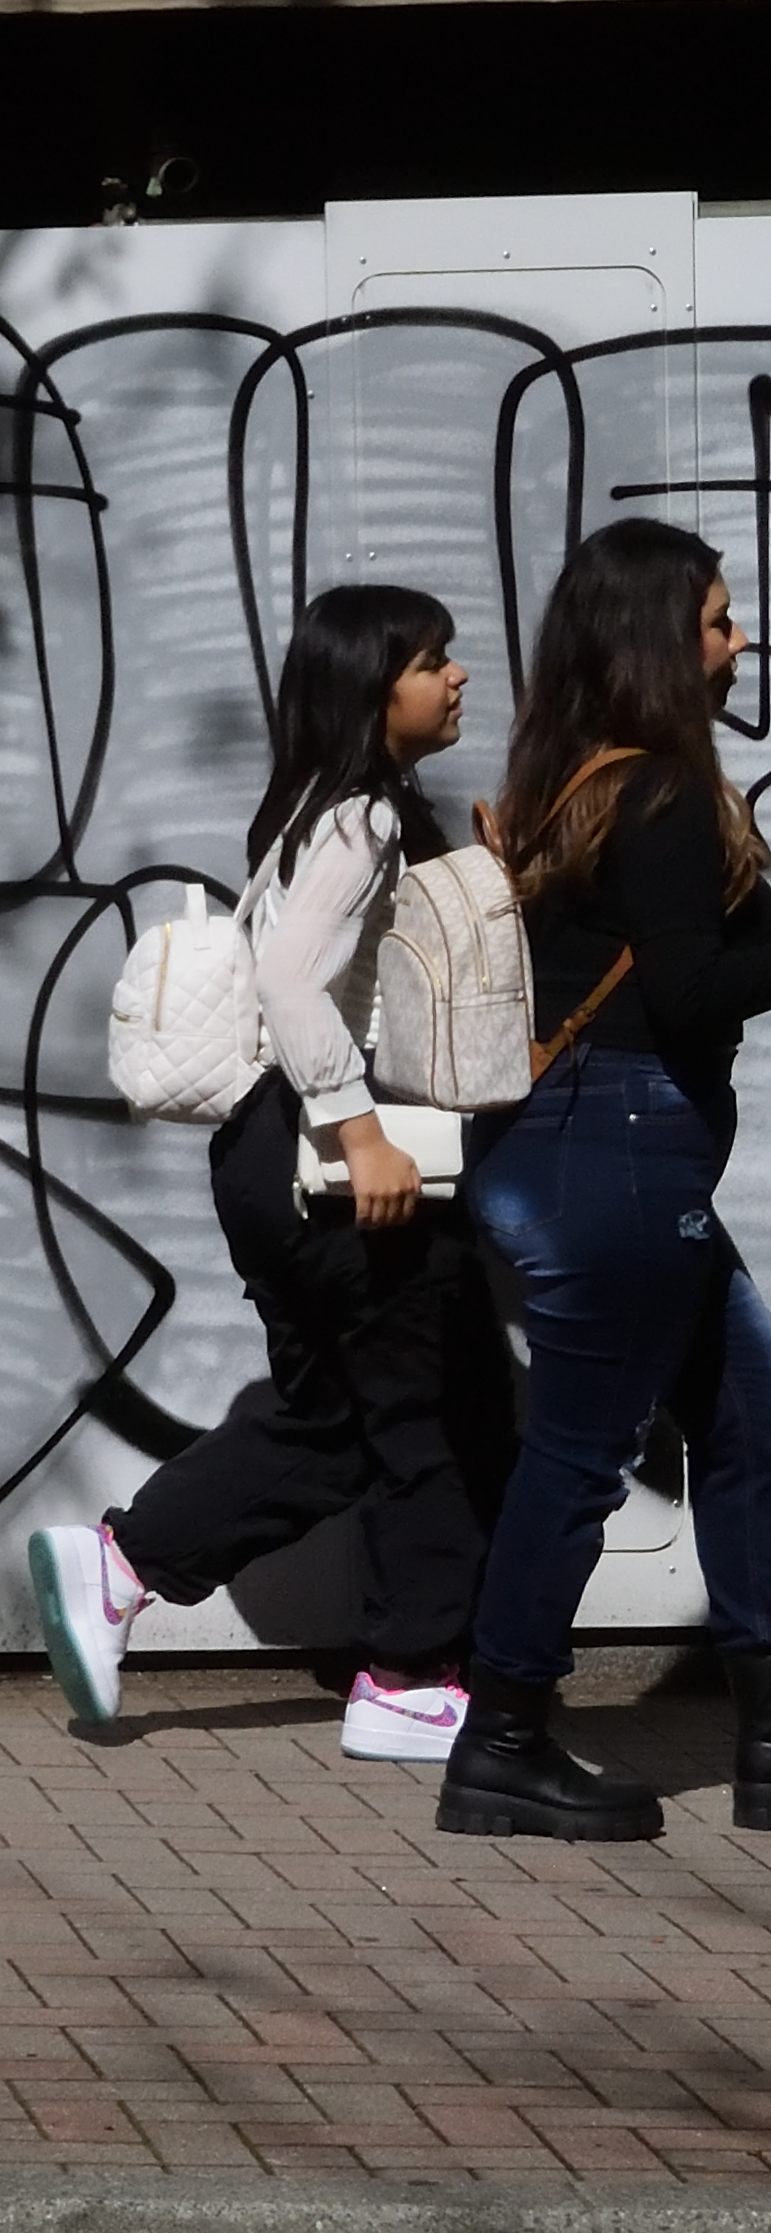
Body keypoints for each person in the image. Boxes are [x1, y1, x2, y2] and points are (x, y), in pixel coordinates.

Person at [29, 588, 517, 1762]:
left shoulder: (314, 809)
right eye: (432, 662)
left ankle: (125, 1563)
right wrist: (360, 1134)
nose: (457, 678)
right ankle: (405, 1680)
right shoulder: (360, 820)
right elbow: (297, 983)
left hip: (263, 1157)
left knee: (339, 1414)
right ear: (370, 685)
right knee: (426, 1413)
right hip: (327, 1162)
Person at [442, 518, 771, 1842]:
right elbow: (690, 997)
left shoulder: (575, 780)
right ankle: (502, 1738)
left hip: (575, 1148)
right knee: (580, 1456)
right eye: (715, 621)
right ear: (656, 641)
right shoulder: (666, 794)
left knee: (748, 1423)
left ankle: (763, 1735)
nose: (737, 641)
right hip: (624, 1154)